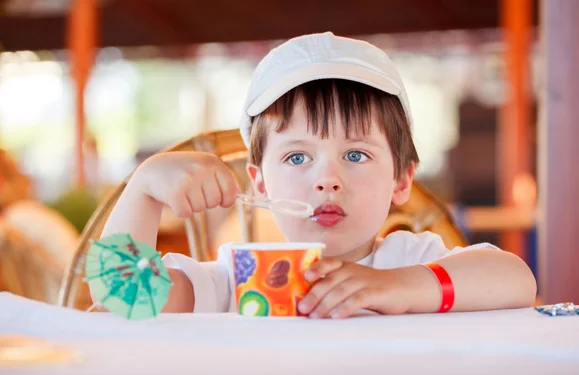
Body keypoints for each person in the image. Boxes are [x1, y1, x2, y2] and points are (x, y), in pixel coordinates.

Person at [101, 32, 537, 319]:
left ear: (401, 181)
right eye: (296, 158)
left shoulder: (409, 259)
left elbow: (517, 279)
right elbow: (121, 299)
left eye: (355, 154)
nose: (328, 179)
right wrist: (143, 189)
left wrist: (396, 287)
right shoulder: (239, 279)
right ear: (261, 182)